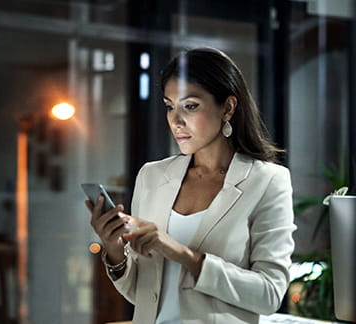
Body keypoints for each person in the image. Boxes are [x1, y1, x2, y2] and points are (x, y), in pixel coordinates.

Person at [85, 48, 296, 324]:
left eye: (190, 106)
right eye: (170, 106)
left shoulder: (268, 181)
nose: (176, 120)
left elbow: (269, 295)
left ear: (228, 108)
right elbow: (142, 293)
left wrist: (182, 254)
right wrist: (114, 249)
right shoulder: (151, 176)